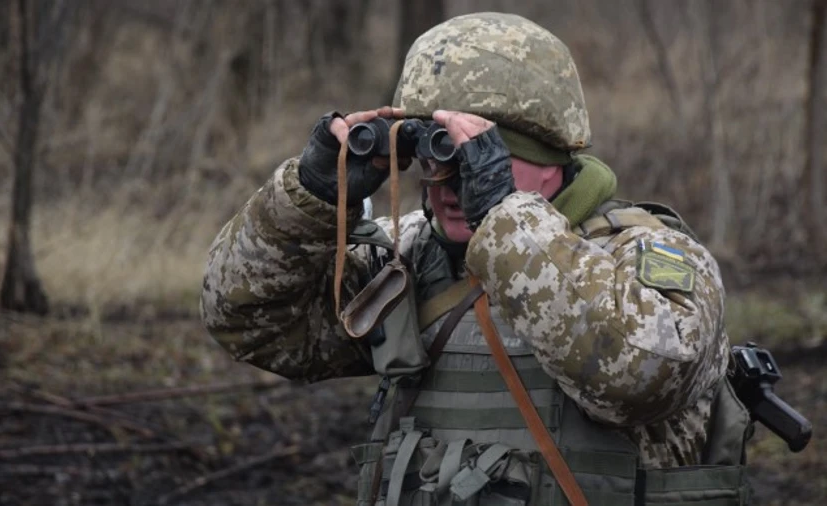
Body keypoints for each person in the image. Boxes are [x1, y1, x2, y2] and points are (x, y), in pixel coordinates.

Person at [201, 12, 750, 506]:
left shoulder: (649, 253)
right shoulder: (410, 255)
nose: (448, 184)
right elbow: (248, 321)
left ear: (550, 157)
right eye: (432, 156)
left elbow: (641, 376)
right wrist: (312, 198)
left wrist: (504, 219)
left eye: (476, 158)